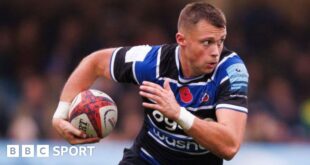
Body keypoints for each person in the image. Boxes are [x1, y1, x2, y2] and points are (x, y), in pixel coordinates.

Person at [52, 1, 249, 165]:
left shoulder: (231, 71)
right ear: (182, 40)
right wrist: (61, 114)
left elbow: (229, 146)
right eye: (207, 42)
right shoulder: (151, 62)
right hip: (147, 159)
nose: (216, 51)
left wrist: (179, 114)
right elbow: (94, 63)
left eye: (220, 41)